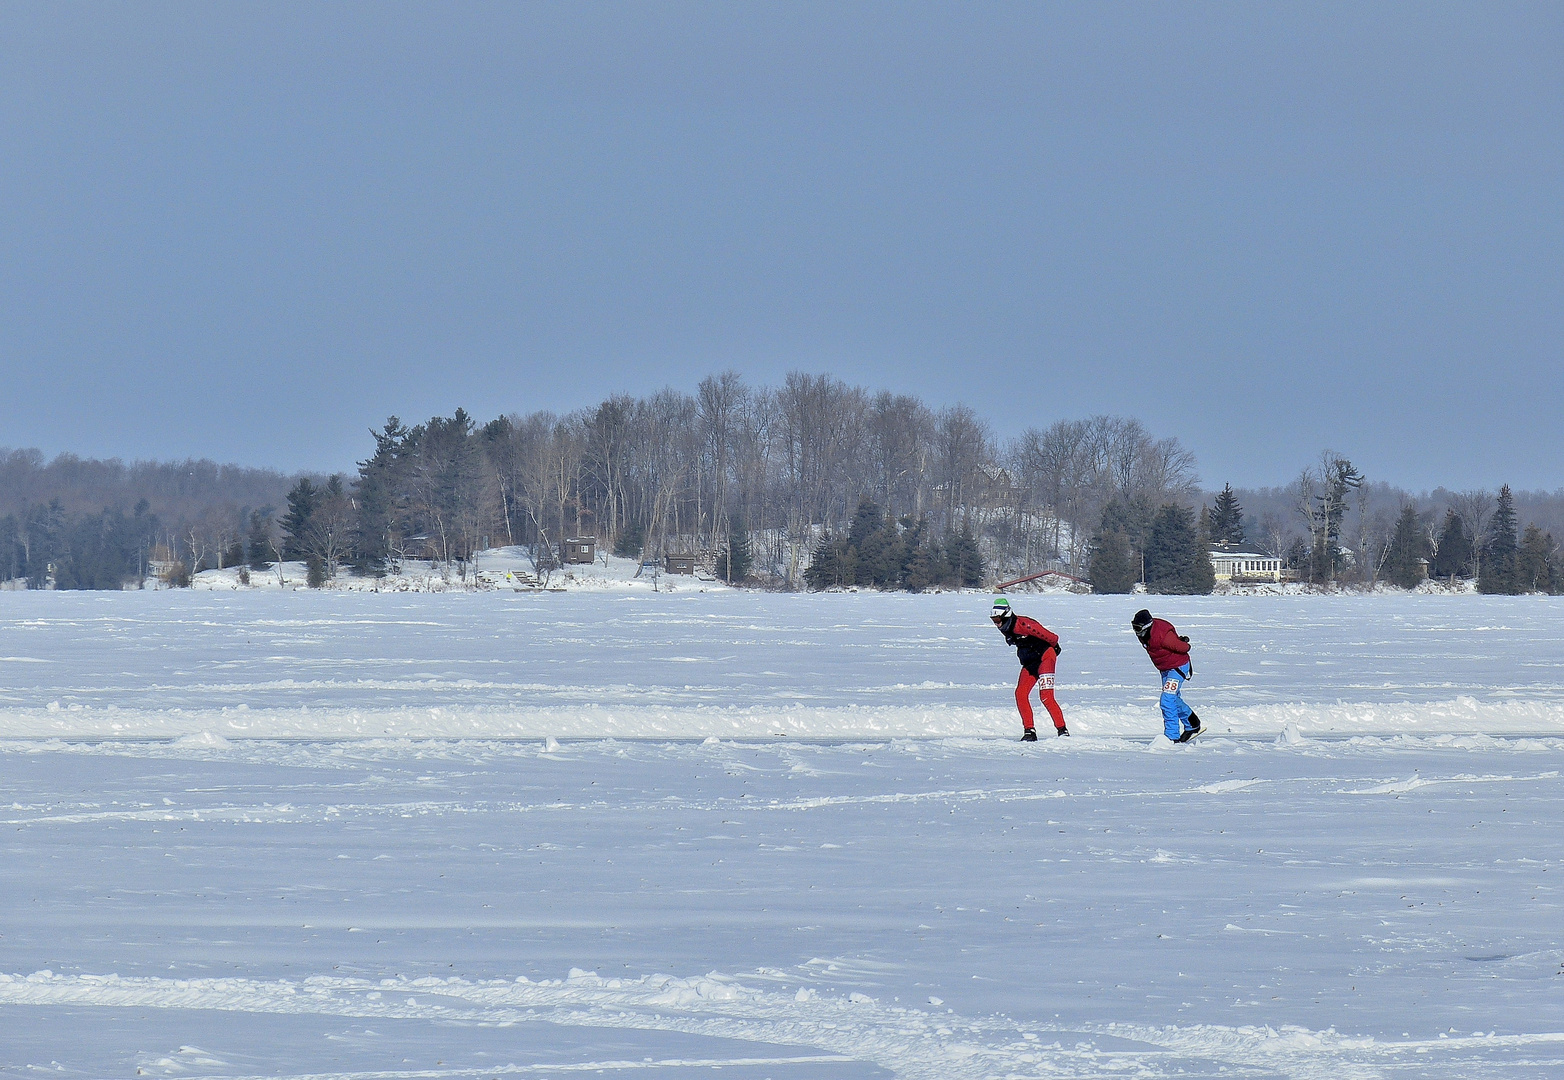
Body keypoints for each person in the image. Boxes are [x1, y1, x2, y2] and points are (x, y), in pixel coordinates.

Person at [990, 596, 1067, 740]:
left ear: (1006, 615)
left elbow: (1052, 637)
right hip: (1030, 662)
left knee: (1046, 696)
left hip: (1045, 658)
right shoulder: (1006, 627)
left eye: (998, 620)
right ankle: (1029, 731)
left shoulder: (1025, 624)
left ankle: (1062, 730)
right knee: (1020, 693)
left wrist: (1054, 648)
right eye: (994, 621)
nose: (997, 624)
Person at [1131, 608, 1202, 743]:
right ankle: (1192, 723)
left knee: (1167, 700)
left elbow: (1185, 648)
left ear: (1146, 626)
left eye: (1138, 627)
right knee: (1173, 698)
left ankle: (1172, 736)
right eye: (1133, 627)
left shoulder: (1163, 637)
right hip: (1165, 669)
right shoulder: (1143, 635)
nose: (1135, 631)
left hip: (1178, 667)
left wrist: (1180, 642)